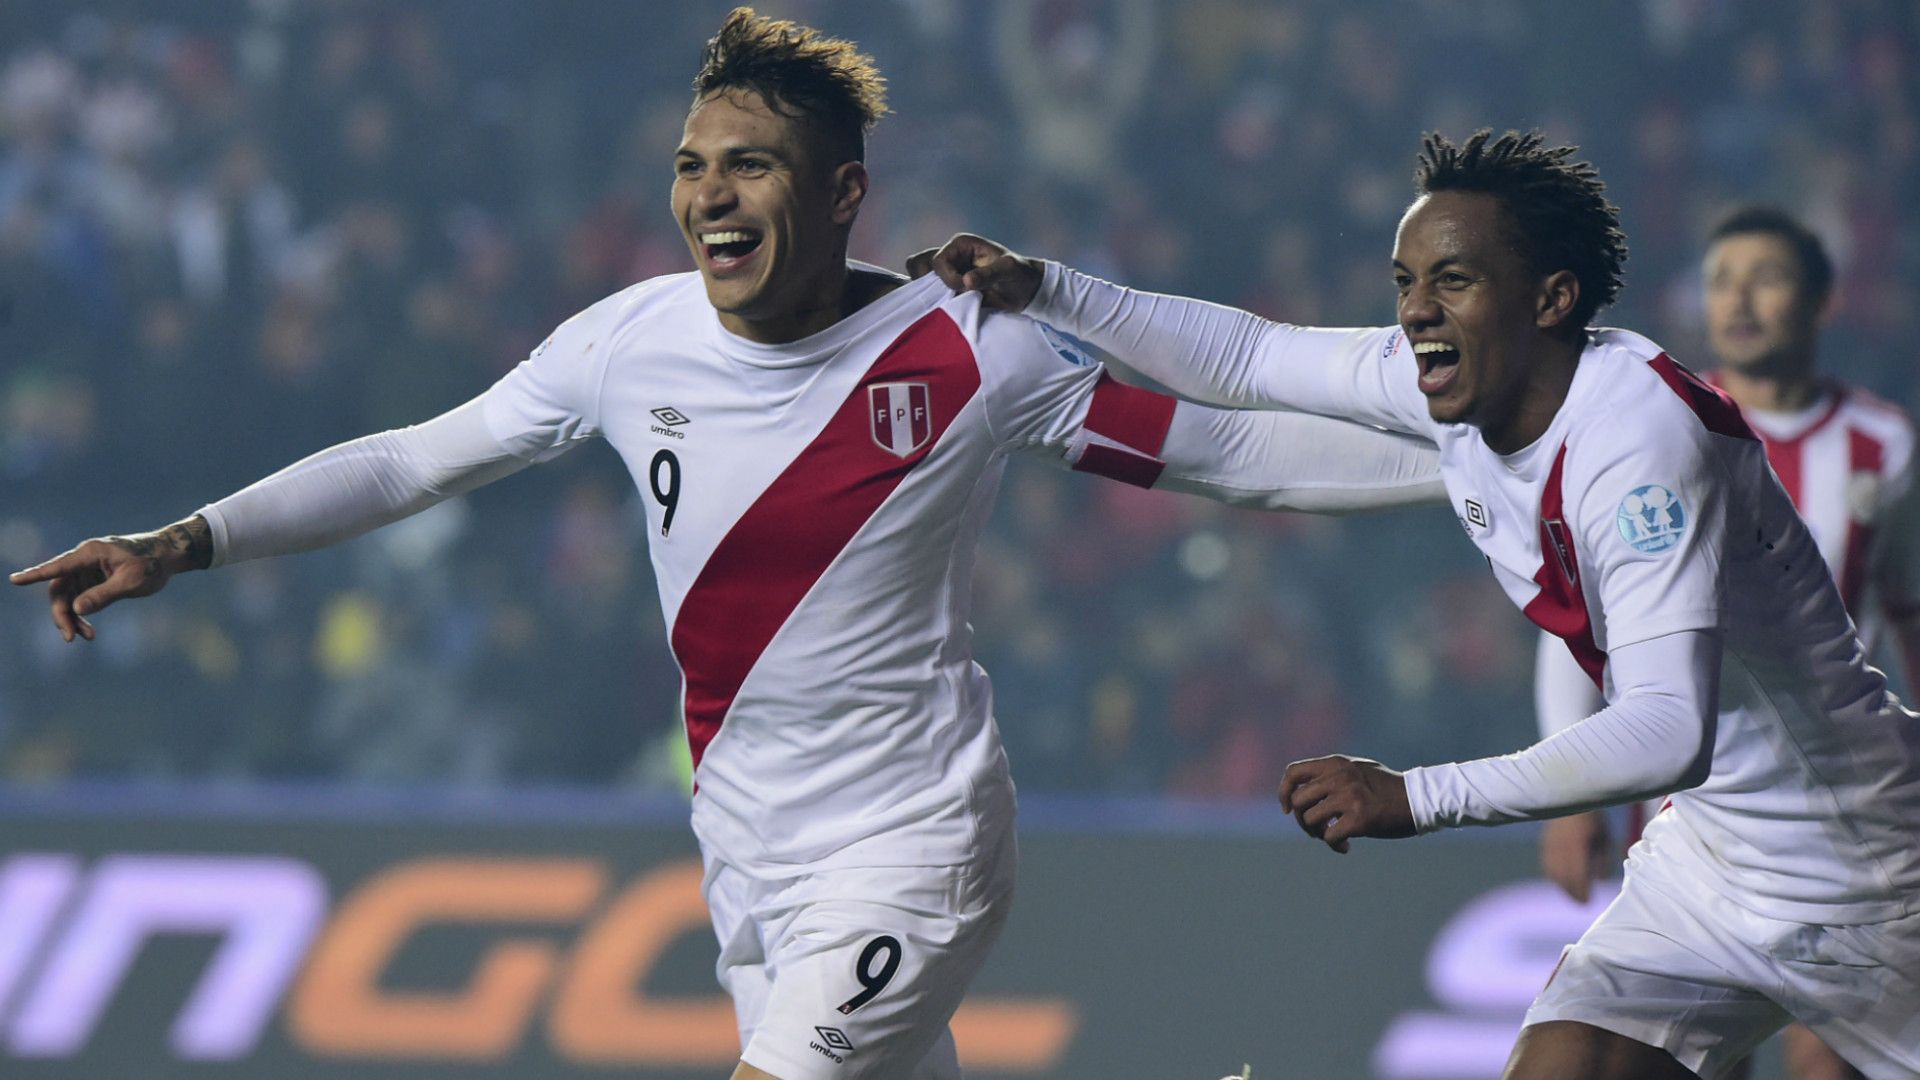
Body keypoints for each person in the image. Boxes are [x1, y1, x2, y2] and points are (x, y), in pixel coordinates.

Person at [8, 10, 1445, 1080]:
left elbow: (1233, 455)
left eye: (749, 165)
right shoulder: (627, 340)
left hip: (913, 845)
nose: (708, 195)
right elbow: (411, 459)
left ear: (841, 194)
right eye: (692, 166)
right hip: (749, 865)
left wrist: (1478, 461)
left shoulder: (969, 349)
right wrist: (185, 541)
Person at [917, 130, 1920, 1079]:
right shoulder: (1471, 394)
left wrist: (1415, 797)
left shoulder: (1640, 444)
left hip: (1867, 873)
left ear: (1551, 298)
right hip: (1707, 861)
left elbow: (1668, 729)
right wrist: (1049, 289)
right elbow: (1252, 361)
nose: (1415, 312)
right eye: (1406, 282)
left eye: (1454, 280)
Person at [1534, 206, 1919, 1080]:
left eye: (1766, 278)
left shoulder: (1885, 447)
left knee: (1827, 1062)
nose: (1738, 300)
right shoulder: (1650, 427)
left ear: (1822, 300)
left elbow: (1909, 612)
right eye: (1720, 280)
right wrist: (1570, 797)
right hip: (1690, 817)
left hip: (1842, 819)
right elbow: (1579, 623)